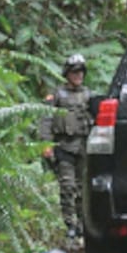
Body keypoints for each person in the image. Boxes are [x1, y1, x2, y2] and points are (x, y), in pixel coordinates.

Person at [41, 53, 94, 242]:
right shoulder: (57, 95)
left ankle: (82, 224)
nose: (78, 75)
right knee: (67, 187)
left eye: (81, 72)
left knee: (82, 189)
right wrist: (46, 144)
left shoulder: (89, 95)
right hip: (64, 146)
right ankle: (70, 224)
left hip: (84, 147)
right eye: (75, 72)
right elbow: (46, 119)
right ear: (67, 74)